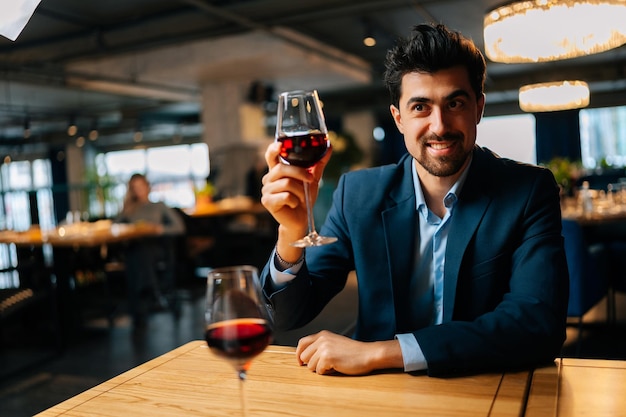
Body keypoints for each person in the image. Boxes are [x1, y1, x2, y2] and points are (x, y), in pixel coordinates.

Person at [259, 23, 569, 377]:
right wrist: (291, 231)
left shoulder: (529, 191)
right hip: (379, 393)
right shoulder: (358, 194)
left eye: (454, 103)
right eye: (421, 107)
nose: (439, 125)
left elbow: (538, 326)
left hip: (483, 383)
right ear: (398, 119)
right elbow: (289, 315)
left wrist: (380, 353)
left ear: (478, 108)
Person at [117, 173, 186, 327]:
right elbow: (115, 227)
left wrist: (159, 229)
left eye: (141, 186)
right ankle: (152, 294)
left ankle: (146, 295)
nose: (139, 190)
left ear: (147, 187)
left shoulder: (159, 206)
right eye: (135, 188)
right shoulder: (129, 210)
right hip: (135, 249)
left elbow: (179, 227)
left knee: (142, 252)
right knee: (136, 252)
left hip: (157, 248)